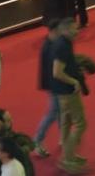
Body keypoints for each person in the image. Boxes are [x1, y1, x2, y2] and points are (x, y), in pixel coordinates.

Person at [51, 18, 86, 173]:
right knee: (80, 124)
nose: (77, 31)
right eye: (74, 29)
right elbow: (57, 72)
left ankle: (68, 155)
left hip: (60, 92)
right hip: (67, 92)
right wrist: (74, 82)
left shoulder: (62, 43)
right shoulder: (63, 46)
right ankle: (68, 158)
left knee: (66, 124)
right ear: (65, 30)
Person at [31, 20, 64, 157]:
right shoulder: (50, 47)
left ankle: (64, 136)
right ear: (54, 31)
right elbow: (54, 70)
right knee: (53, 112)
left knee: (61, 110)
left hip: (53, 84)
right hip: (54, 85)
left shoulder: (49, 44)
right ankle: (37, 140)